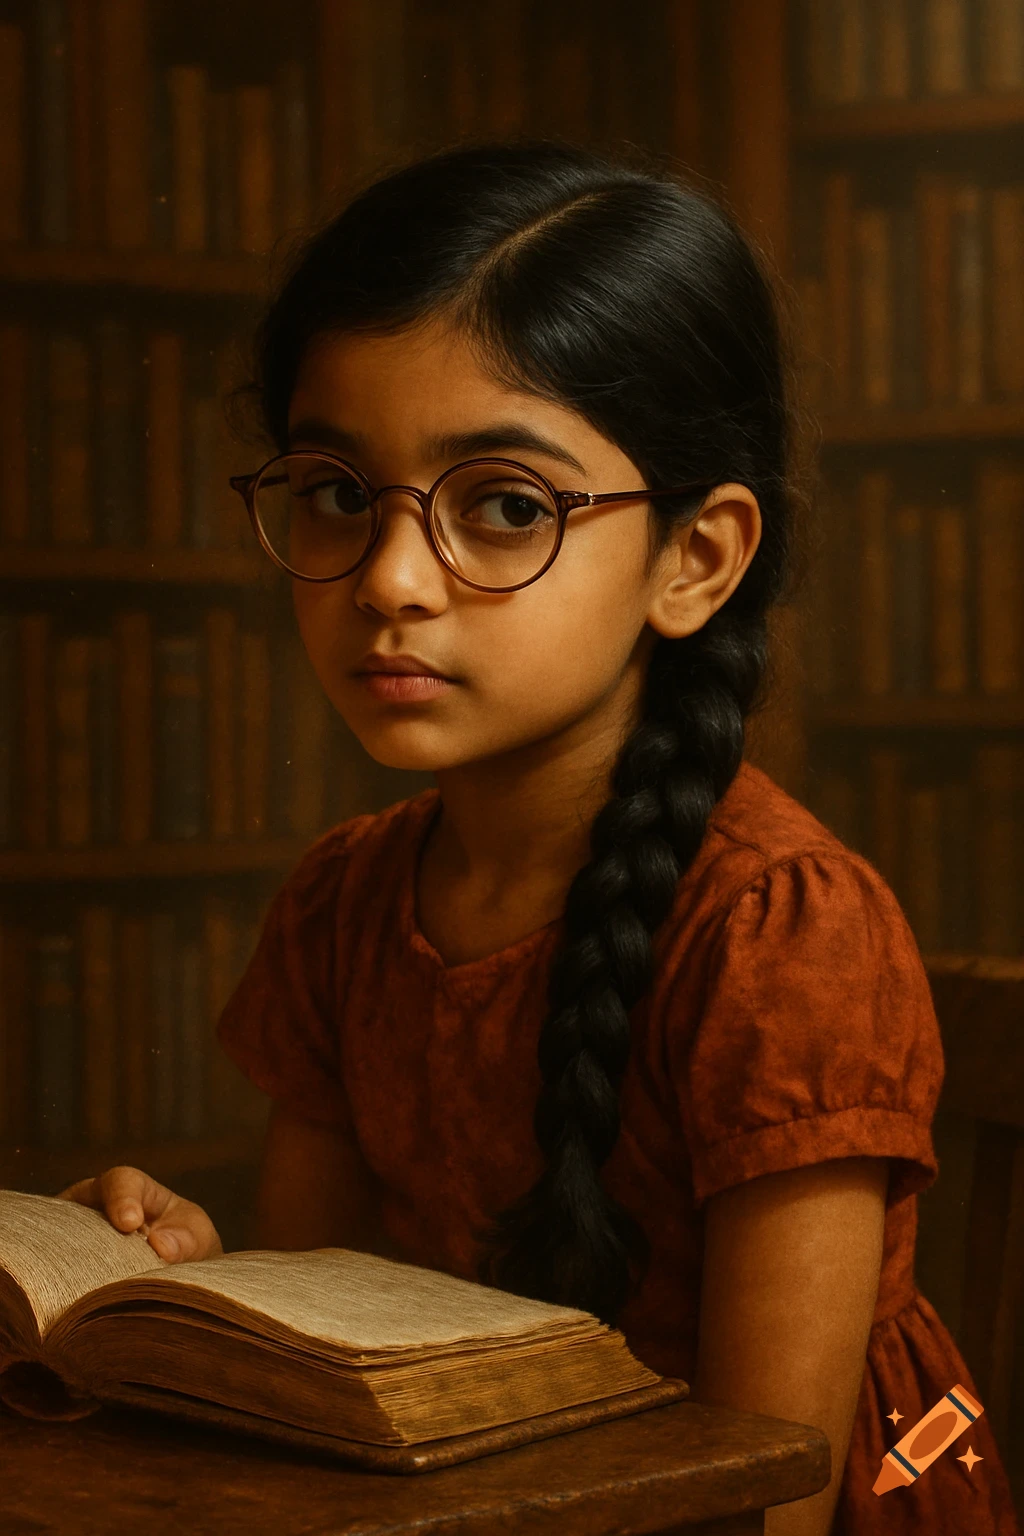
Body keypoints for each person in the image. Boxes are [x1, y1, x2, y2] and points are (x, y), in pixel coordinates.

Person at [58, 143, 1018, 1535]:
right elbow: (340, 1351)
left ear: (696, 559)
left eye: (505, 506)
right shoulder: (346, 904)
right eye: (336, 488)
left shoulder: (778, 932)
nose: (390, 581)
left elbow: (770, 1500)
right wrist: (192, 1293)